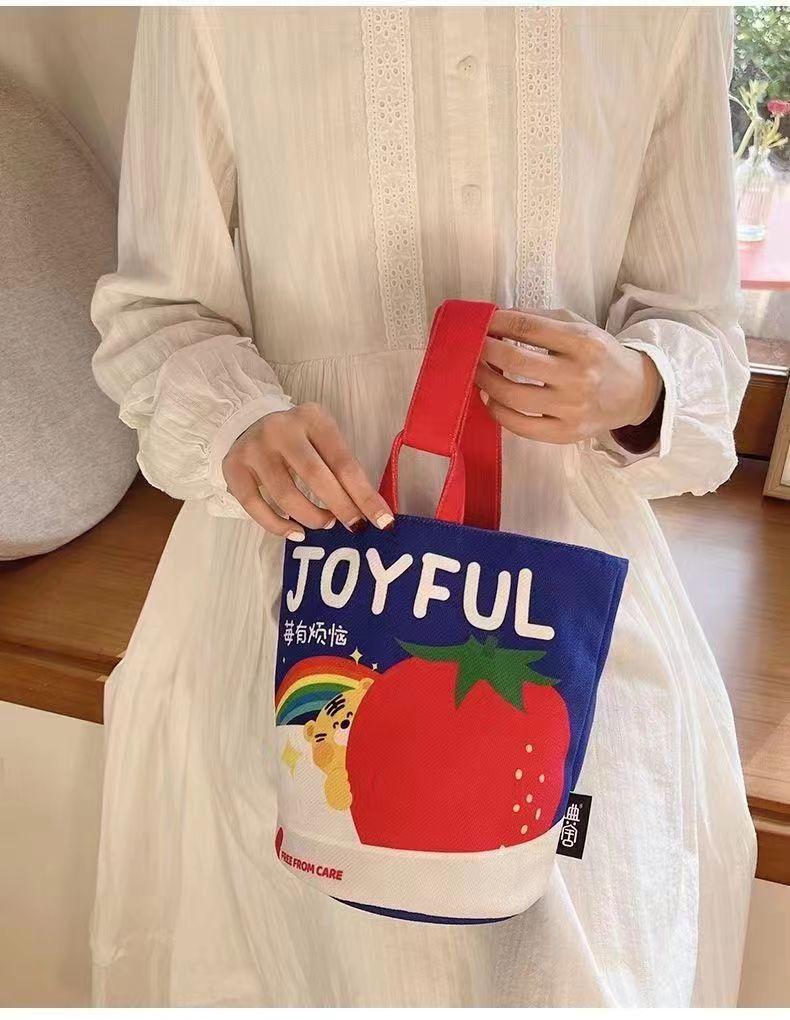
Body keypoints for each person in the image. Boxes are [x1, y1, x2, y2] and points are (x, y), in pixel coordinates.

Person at [90, 6, 756, 1007]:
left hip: (573, 603)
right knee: (291, 962)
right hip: (295, 587)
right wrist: (236, 424)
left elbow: (699, 326)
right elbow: (157, 311)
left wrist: (636, 384)